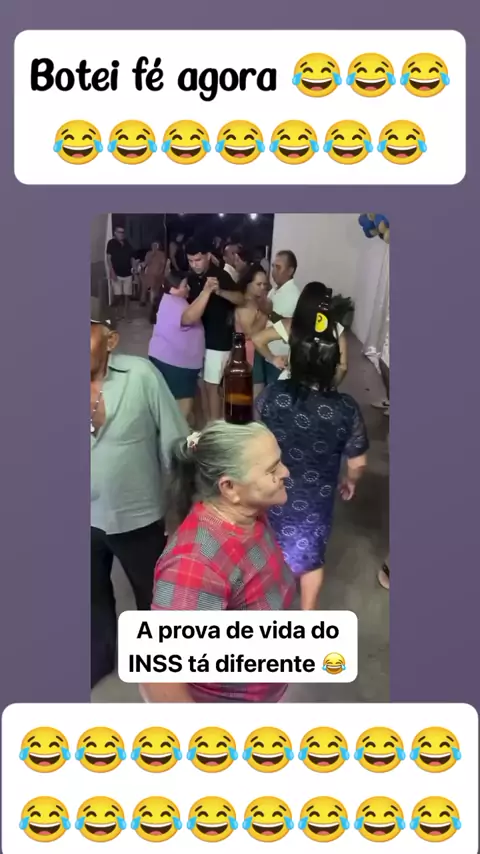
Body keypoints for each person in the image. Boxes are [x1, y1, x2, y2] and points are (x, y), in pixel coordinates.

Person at [142, 421, 297, 704]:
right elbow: (159, 676)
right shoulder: (195, 564)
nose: (285, 472)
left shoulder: (249, 515)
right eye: (272, 469)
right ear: (229, 487)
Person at [90, 299, 189, 688]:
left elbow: (175, 441)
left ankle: (158, 662)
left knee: (153, 596)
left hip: (138, 516)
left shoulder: (141, 375)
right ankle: (100, 658)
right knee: (91, 596)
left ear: (111, 340)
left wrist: (185, 506)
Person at [256, 288, 368, 611]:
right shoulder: (346, 409)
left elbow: (254, 441)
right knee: (311, 559)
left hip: (273, 492)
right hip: (316, 502)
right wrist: (350, 481)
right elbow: (358, 462)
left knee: (267, 552)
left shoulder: (272, 396)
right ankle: (307, 617)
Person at [182, 237, 245, 421]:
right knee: (202, 384)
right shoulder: (192, 278)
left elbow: (241, 299)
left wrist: (220, 292)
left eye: (198, 260)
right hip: (199, 339)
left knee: (212, 386)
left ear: (208, 256)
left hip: (218, 340)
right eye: (191, 261)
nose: (194, 264)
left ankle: (215, 425)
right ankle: (208, 422)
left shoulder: (220, 275)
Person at [252, 282, 349, 387]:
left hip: (292, 386)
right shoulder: (336, 328)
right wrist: (331, 386)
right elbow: (343, 367)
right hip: (322, 387)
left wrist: (273, 359)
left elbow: (257, 339)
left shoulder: (292, 325)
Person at [148, 269, 205, 424]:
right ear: (173, 288)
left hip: (170, 360)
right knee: (181, 411)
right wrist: (206, 292)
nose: (189, 288)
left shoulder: (169, 299)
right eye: (185, 286)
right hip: (176, 364)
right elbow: (189, 317)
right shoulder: (174, 303)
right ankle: (176, 436)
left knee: (180, 401)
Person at [255, 250, 300, 387]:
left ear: (290, 270)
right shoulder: (274, 290)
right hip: (267, 352)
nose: (274, 271)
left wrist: (269, 313)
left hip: (280, 357)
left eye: (278, 267)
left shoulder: (293, 295)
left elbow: (290, 325)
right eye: (273, 266)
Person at [234, 264, 270, 396]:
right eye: (258, 284)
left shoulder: (258, 302)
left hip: (258, 353)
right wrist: (265, 314)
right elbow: (250, 333)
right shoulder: (245, 305)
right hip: (249, 356)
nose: (262, 288)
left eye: (265, 284)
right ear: (248, 285)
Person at [106, 225, 137, 321]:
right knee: (117, 295)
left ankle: (126, 314)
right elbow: (108, 259)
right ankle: (116, 313)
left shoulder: (127, 243)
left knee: (127, 296)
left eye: (123, 232)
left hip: (127, 274)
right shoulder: (111, 243)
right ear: (115, 233)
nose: (121, 234)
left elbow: (132, 257)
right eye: (119, 232)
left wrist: (134, 269)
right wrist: (112, 272)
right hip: (116, 273)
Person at [140, 240, 166, 307]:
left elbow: (163, 265)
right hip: (149, 273)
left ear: (158, 246)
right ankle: (143, 300)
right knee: (145, 286)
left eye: (155, 245)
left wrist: (160, 273)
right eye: (153, 245)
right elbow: (146, 263)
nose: (154, 247)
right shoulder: (149, 253)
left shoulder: (162, 254)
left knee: (155, 289)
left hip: (157, 274)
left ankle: (154, 303)